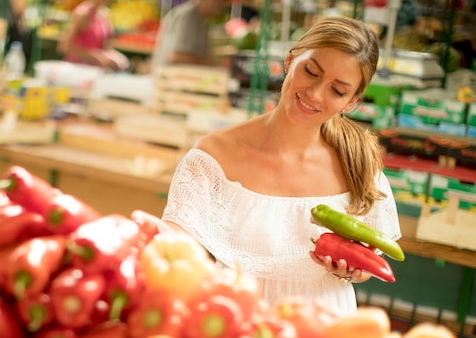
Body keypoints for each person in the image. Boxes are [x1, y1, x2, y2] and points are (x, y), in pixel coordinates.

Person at [161, 16, 402, 315]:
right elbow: (174, 247)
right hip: (235, 322)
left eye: (337, 91)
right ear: (290, 60)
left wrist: (353, 271)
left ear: (351, 102)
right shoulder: (213, 156)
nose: (315, 94)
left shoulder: (358, 164)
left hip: (326, 328)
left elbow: (368, 259)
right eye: (311, 71)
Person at [151, 0, 230, 69]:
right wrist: (213, 65)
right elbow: (174, 56)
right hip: (169, 77)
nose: (224, 6)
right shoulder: (189, 16)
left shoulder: (201, 19)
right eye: (223, 0)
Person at [59, 0, 129, 71]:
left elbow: (103, 46)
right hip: (78, 69)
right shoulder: (82, 14)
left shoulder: (105, 13)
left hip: (96, 70)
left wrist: (114, 57)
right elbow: (64, 47)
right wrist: (94, 56)